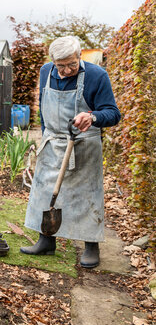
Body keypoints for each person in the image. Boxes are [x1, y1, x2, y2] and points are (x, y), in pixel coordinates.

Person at [21, 36, 120, 268]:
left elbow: (113, 113)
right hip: (53, 143)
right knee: (46, 192)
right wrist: (46, 135)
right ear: (52, 61)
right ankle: (46, 241)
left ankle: (91, 246)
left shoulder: (97, 75)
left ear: (80, 55)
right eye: (60, 65)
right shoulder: (46, 71)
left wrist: (93, 116)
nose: (65, 70)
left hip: (84, 145)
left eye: (71, 65)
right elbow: (45, 109)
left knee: (87, 196)